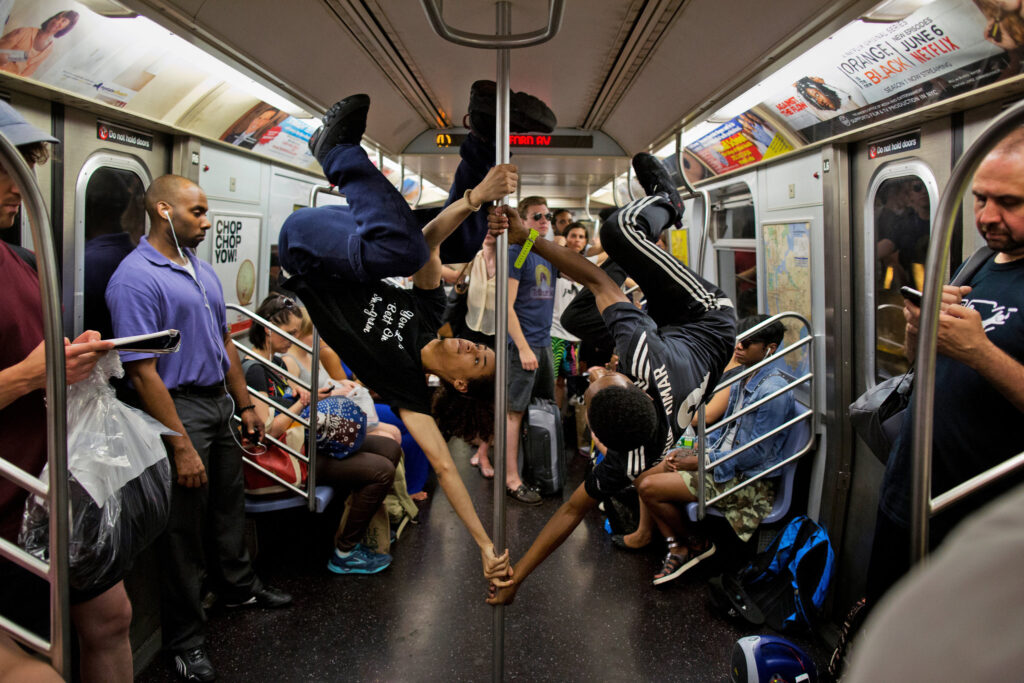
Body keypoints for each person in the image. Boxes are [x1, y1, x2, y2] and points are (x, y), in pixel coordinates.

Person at [275, 86, 551, 583]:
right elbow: (431, 244)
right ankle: (486, 130)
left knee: (403, 250)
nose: (473, 345)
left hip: (306, 249)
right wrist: (476, 199)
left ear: (462, 384)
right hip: (346, 238)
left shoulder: (406, 391)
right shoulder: (430, 310)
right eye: (483, 347)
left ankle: (335, 152)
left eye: (477, 360)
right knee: (458, 238)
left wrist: (487, 548)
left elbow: (447, 470)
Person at [486, 153, 736, 605]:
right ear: (633, 383)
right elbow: (599, 283)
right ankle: (669, 204)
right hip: (705, 320)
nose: (599, 367)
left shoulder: (632, 459)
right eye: (606, 374)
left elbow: (569, 512)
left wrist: (518, 577)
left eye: (595, 375)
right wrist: (530, 240)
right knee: (619, 232)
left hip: (662, 343)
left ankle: (632, 255)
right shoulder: (643, 355)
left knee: (580, 313)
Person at [105, 174, 292, 682]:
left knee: (229, 505)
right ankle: (186, 640)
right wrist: (180, 446)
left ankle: (237, 588)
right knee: (181, 530)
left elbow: (225, 343)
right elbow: (143, 372)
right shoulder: (135, 278)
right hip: (178, 408)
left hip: (216, 403)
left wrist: (245, 404)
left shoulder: (199, 270)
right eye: (198, 213)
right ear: (164, 211)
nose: (207, 222)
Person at [864, 127, 1024, 608]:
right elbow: (923, 368)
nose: (986, 217)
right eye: (979, 199)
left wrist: (979, 351)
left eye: (1009, 202)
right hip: (911, 494)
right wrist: (918, 330)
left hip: (981, 521)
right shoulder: (976, 264)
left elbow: (975, 354)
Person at [0, 101, 126, 682]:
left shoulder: (20, 259)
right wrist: (31, 374)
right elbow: (27, 368)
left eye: (23, 166)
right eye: (4, 168)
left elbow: (36, 350)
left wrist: (74, 358)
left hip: (51, 494)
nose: (15, 186)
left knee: (110, 619)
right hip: (8, 502)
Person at [244, 295, 402, 574]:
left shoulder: (277, 365)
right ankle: (345, 551)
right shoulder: (255, 371)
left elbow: (297, 401)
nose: (293, 338)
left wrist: (320, 394)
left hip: (306, 441)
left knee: (389, 448)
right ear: (268, 329)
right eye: (289, 333)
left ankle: (363, 526)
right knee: (380, 470)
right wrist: (303, 402)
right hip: (288, 456)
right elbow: (268, 431)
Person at [635, 315, 793, 585]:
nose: (739, 347)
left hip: (746, 480)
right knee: (643, 475)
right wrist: (693, 451)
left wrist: (700, 461)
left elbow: (757, 454)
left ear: (771, 348)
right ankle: (679, 546)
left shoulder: (773, 390)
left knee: (650, 488)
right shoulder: (747, 377)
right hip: (724, 464)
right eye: (738, 341)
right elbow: (723, 432)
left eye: (748, 342)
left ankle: (692, 543)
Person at [504, 196, 558, 505]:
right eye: (536, 216)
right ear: (523, 221)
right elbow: (507, 307)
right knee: (515, 412)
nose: (544, 220)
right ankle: (512, 478)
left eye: (547, 216)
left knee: (542, 408)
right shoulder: (520, 252)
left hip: (544, 342)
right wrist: (523, 347)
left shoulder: (546, 254)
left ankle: (540, 468)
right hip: (522, 346)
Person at [0, 10, 78, 78]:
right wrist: (22, 56)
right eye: (57, 18)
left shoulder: (49, 48)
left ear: (66, 27)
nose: (57, 22)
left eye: (63, 21)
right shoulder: (24, 32)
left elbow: (27, 73)